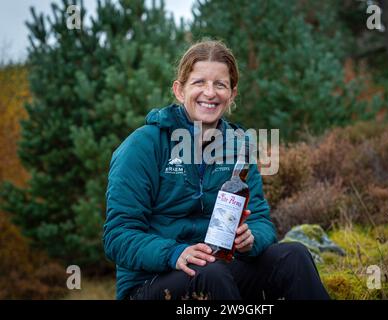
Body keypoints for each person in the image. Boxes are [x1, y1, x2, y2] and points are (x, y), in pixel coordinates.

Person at [103, 40, 330, 300]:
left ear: (232, 94)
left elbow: (260, 221)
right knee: (210, 274)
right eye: (199, 82)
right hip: (151, 282)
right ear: (179, 90)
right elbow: (117, 236)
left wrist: (252, 239)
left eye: (220, 84)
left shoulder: (240, 146)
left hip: (221, 269)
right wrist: (174, 253)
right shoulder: (143, 145)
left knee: (294, 255)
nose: (209, 93)